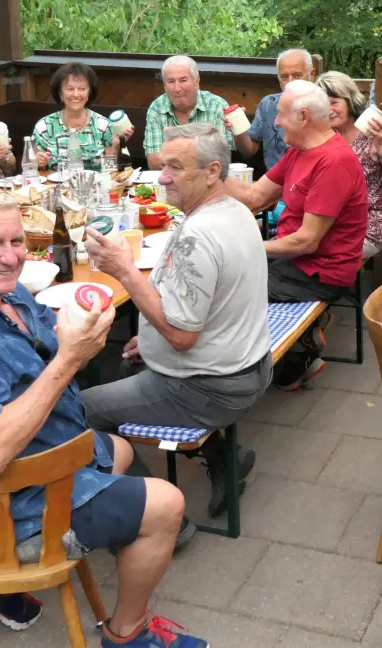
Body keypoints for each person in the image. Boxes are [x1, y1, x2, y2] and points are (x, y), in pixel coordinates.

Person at [0, 188, 206, 646]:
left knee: (116, 448)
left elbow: (40, 332)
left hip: (32, 470)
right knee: (166, 504)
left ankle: (38, 576)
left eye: (17, 242)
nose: (10, 257)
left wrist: (75, 330)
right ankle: (127, 633)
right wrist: (69, 361)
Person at [82, 124, 270, 520]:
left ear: (212, 171)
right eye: (162, 164)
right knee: (130, 359)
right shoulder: (235, 209)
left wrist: (124, 271)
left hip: (210, 386)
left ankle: (155, 516)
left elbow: (183, 336)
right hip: (249, 365)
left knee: (79, 409)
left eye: (175, 167)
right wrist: (150, 336)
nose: (162, 176)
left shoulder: (198, 236)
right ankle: (223, 456)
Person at [225, 80, 368, 389]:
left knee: (228, 289)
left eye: (281, 115)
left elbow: (307, 241)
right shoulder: (300, 150)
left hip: (320, 272)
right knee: (227, 274)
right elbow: (254, 197)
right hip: (295, 261)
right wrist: (207, 173)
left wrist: (249, 247)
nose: (275, 122)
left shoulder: (334, 162)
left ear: (304, 117)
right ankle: (298, 346)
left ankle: (243, 371)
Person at [317, 71, 382, 258]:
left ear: (350, 102)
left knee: (311, 253)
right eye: (323, 104)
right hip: (326, 224)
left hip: (364, 229)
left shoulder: (373, 132)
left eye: (334, 102)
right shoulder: (323, 134)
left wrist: (381, 145)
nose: (329, 110)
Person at [30, 62, 131, 171]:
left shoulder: (103, 125)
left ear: (89, 93)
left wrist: (116, 146)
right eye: (70, 89)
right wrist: (38, 163)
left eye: (82, 89)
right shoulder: (44, 126)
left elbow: (111, 172)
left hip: (95, 185)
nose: (76, 94)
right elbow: (31, 168)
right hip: (55, 186)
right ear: (60, 93)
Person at [143, 55, 233, 169]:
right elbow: (153, 161)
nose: (177, 88)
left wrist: (171, 158)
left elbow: (219, 157)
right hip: (169, 180)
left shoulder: (216, 106)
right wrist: (196, 159)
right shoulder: (157, 107)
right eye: (171, 81)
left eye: (183, 80)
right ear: (165, 86)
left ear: (197, 82)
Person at [234, 48, 314, 172]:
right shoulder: (268, 104)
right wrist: (237, 126)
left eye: (297, 76)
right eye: (284, 77)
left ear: (312, 74)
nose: (290, 82)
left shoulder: (325, 105)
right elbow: (249, 151)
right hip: (273, 182)